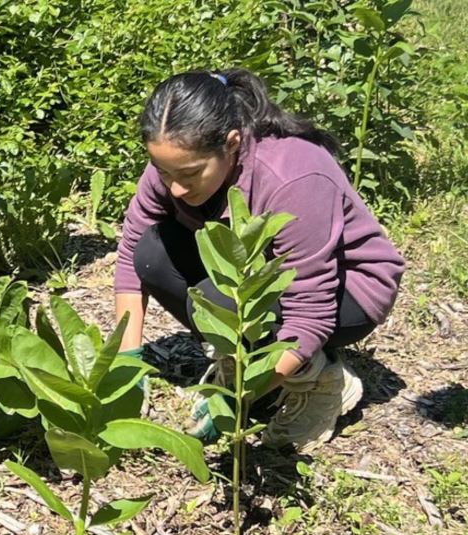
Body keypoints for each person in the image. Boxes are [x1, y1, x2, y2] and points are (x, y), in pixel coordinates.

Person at [113, 68, 406, 450]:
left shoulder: (292, 177)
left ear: (232, 143)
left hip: (349, 292)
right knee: (153, 253)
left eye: (190, 173)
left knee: (221, 302)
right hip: (260, 275)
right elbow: (132, 253)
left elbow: (310, 314)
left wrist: (238, 398)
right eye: (164, 172)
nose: (176, 187)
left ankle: (320, 379)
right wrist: (126, 359)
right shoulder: (174, 165)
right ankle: (256, 361)